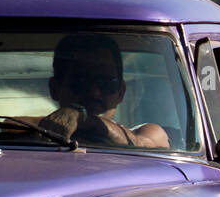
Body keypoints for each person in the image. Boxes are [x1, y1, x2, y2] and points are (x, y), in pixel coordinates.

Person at [36, 33, 168, 148]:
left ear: (121, 92)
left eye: (106, 83)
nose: (95, 93)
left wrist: (81, 117)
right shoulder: (28, 138)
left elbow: (144, 144)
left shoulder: (145, 133)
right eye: (81, 82)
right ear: (54, 88)